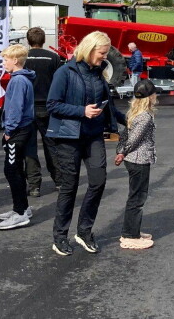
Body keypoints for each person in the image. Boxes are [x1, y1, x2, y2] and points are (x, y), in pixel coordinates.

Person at [46, 31, 126, 256]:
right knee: (69, 187)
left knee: (98, 181)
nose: (104, 57)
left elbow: (108, 105)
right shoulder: (65, 72)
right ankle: (59, 237)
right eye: (101, 53)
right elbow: (52, 104)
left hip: (93, 135)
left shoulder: (99, 74)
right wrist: (81, 111)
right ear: (89, 49)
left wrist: (128, 119)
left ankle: (84, 231)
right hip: (68, 137)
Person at [0, 44, 36, 230]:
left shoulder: (18, 81)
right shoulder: (20, 78)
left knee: (12, 170)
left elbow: (15, 108)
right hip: (22, 128)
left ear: (15, 61)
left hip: (18, 130)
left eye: (6, 60)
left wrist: (9, 131)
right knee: (15, 169)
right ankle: (22, 208)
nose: (4, 63)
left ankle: (20, 213)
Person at [114, 79, 157, 250]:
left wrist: (121, 151)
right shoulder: (145, 117)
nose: (156, 96)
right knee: (137, 198)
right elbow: (132, 139)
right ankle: (130, 236)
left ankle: (134, 231)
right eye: (154, 93)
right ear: (149, 97)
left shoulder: (134, 113)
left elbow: (125, 134)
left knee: (136, 196)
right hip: (138, 160)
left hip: (133, 159)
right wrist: (122, 152)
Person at [24, 27, 62, 194]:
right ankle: (59, 181)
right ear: (44, 40)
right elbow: (59, 83)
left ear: (28, 40)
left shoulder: (22, 57)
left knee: (30, 147)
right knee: (51, 145)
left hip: (28, 108)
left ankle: (34, 186)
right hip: (48, 107)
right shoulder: (54, 57)